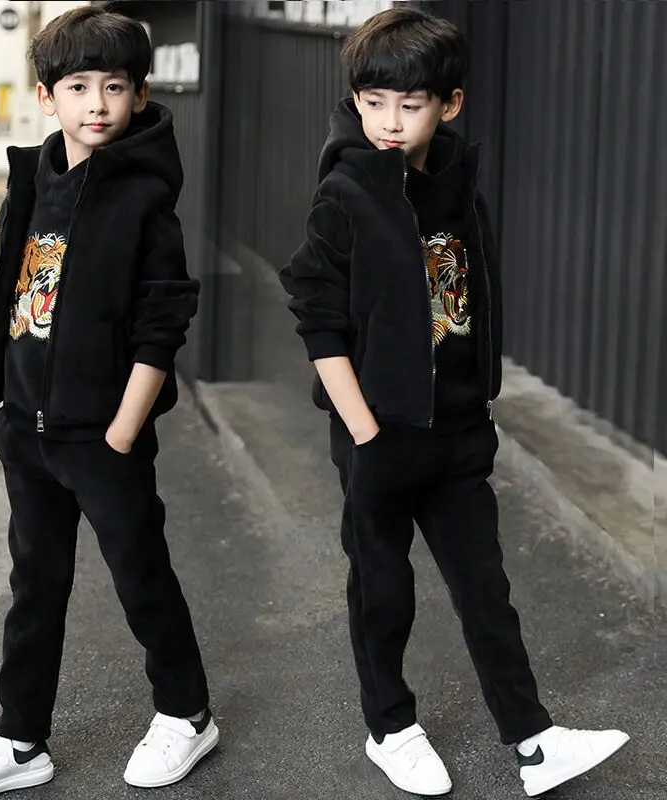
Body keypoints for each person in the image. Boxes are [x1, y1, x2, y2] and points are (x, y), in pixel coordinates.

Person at [279, 7, 628, 798]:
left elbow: (474, 295)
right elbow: (316, 315)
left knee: (485, 589)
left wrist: (479, 404)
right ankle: (390, 728)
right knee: (383, 590)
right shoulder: (346, 191)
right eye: (373, 102)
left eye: (410, 105)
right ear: (356, 100)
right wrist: (365, 431)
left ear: (450, 104)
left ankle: (533, 739)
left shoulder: (460, 183)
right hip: (380, 433)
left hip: (460, 430)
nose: (389, 122)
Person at [0, 8, 217, 799]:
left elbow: (164, 322)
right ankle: (20, 739)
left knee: (140, 574)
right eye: (79, 86)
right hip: (27, 430)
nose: (97, 103)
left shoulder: (144, 198)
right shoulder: (35, 177)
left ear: (140, 95)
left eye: (114, 87)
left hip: (102, 437)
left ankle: (187, 713)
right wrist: (8, 407)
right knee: (35, 587)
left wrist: (122, 430)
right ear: (46, 95)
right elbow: (14, 289)